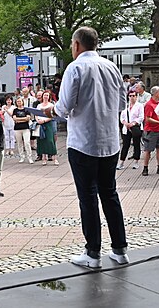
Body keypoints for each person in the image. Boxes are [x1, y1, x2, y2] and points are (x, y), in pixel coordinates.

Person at [43, 26, 128, 268]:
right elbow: (121, 103)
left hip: (83, 142)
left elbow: (65, 105)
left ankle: (93, 254)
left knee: (88, 198)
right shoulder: (112, 67)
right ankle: (120, 249)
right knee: (110, 194)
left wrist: (52, 111)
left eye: (72, 44)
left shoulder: (76, 67)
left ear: (77, 45)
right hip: (110, 141)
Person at [141, 86, 159, 177]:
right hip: (151, 130)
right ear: (156, 93)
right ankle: (145, 168)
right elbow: (148, 119)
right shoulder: (149, 104)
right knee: (148, 150)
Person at [118, 90, 144, 170]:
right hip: (126, 128)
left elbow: (141, 117)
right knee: (125, 145)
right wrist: (125, 123)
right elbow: (121, 117)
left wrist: (132, 123)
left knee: (136, 144)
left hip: (135, 127)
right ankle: (121, 162)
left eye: (133, 96)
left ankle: (136, 161)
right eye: (130, 96)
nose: (132, 97)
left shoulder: (139, 106)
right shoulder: (125, 106)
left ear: (136, 97)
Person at [36, 91, 58, 165]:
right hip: (40, 124)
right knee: (42, 141)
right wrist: (38, 120)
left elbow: (52, 116)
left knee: (50, 140)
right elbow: (36, 114)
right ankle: (44, 158)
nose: (46, 96)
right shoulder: (39, 105)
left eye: (47, 95)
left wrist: (44, 120)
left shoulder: (51, 105)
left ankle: (54, 158)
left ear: (49, 97)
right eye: (44, 95)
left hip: (48, 123)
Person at [12, 98, 33, 164]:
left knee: (27, 143)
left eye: (20, 101)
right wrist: (23, 119)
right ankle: (22, 157)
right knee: (19, 143)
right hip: (17, 129)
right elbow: (14, 118)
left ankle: (29, 157)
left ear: (22, 102)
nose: (19, 102)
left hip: (25, 128)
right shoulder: (15, 110)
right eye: (17, 101)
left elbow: (28, 118)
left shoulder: (26, 110)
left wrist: (19, 120)